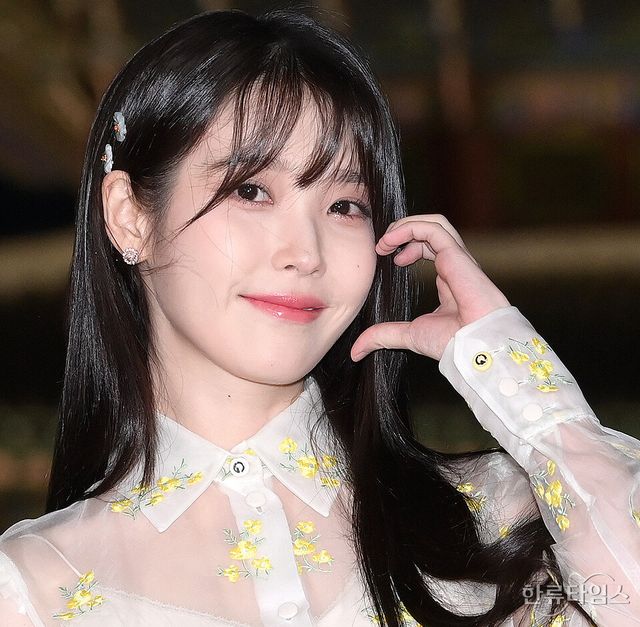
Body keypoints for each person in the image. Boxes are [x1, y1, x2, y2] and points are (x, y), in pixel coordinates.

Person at [0, 8, 638, 627]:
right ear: (131, 216)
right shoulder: (33, 586)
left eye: (345, 206)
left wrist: (521, 383)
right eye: (251, 191)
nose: (305, 254)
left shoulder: (507, 512)